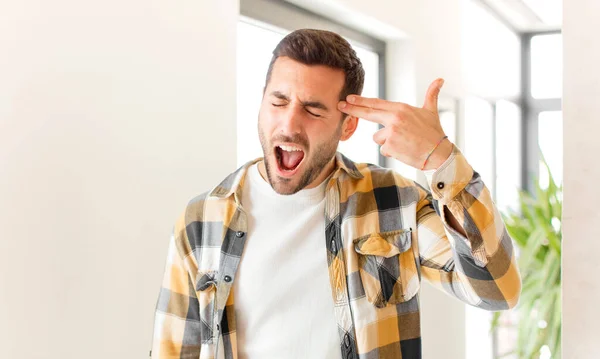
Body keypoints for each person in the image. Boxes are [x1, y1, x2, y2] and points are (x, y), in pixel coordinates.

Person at [150, 29, 521, 359]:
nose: (290, 124)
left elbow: (497, 290)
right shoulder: (202, 219)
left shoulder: (395, 201)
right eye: (278, 101)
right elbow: (172, 349)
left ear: (349, 126)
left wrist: (441, 160)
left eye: (313, 110)